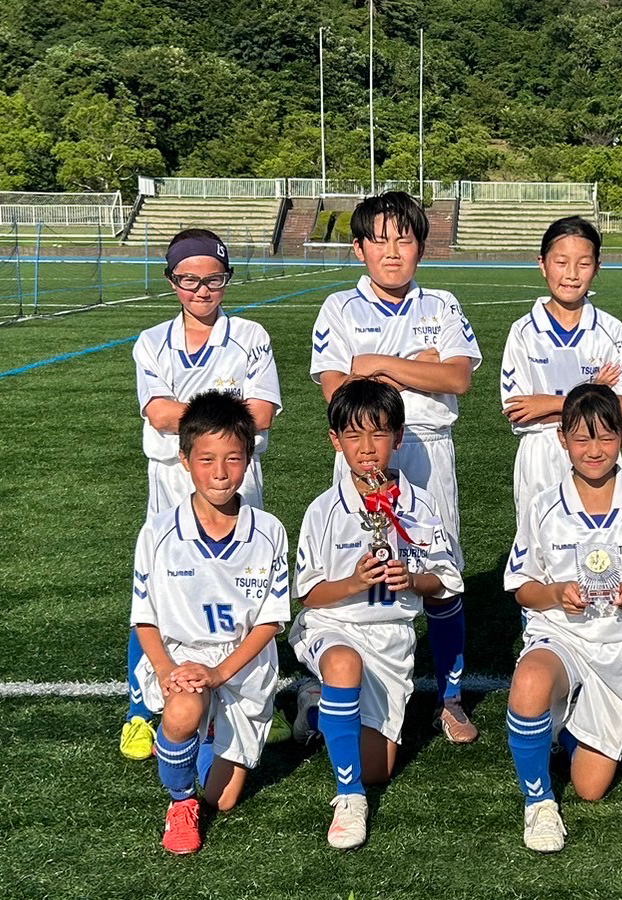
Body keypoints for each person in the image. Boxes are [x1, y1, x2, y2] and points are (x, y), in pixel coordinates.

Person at [308, 191, 481, 743]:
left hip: (428, 445)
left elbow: (457, 378)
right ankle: (339, 678)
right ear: (359, 248)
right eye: (379, 240)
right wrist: (418, 367)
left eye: (403, 239)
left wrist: (377, 365)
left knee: (441, 573)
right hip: (364, 448)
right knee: (361, 565)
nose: (391, 251)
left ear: (421, 247)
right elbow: (338, 393)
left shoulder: (443, 305)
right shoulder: (339, 308)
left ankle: (450, 698)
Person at [503, 384, 622, 853]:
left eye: (605, 437)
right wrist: (555, 593)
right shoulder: (544, 505)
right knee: (530, 680)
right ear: (562, 439)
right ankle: (539, 803)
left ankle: (564, 724)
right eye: (582, 439)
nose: (594, 450)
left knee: (589, 788)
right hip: (561, 632)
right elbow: (522, 586)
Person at [123, 228, 282, 761]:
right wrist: (223, 418)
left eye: (213, 279)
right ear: (172, 281)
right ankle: (141, 709)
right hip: (171, 478)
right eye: (189, 279)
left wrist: (199, 424)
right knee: (158, 591)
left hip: (234, 475)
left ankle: (232, 696)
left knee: (241, 587)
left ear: (226, 280)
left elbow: (263, 412)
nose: (202, 290)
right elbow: (158, 412)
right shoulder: (151, 341)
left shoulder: (251, 336)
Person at [290, 378, 463, 850]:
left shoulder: (421, 504)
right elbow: (309, 596)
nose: (367, 448)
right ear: (335, 441)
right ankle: (350, 800)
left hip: (391, 637)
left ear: (399, 437)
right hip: (333, 626)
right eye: (353, 435)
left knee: (378, 768)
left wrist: (414, 579)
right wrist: (354, 582)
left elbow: (446, 580)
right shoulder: (323, 510)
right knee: (343, 665)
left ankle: (316, 705)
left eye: (379, 433)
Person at [130, 391, 290, 855]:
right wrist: (167, 672)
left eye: (233, 459)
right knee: (183, 709)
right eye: (206, 459)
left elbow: (270, 622)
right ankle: (181, 802)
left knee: (223, 799)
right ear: (184, 460)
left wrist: (219, 674)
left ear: (249, 459)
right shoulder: (157, 532)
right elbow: (144, 618)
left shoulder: (269, 531)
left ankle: (213, 730)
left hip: (242, 666)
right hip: (183, 658)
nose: (220, 472)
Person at [500, 216, 622, 526]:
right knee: (540, 540)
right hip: (539, 452)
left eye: (584, 264)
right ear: (542, 264)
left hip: (597, 449)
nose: (572, 274)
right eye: (561, 262)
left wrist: (550, 403)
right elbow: (519, 411)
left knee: (601, 539)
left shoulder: (611, 330)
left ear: (597, 267)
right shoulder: (523, 331)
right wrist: (595, 393)